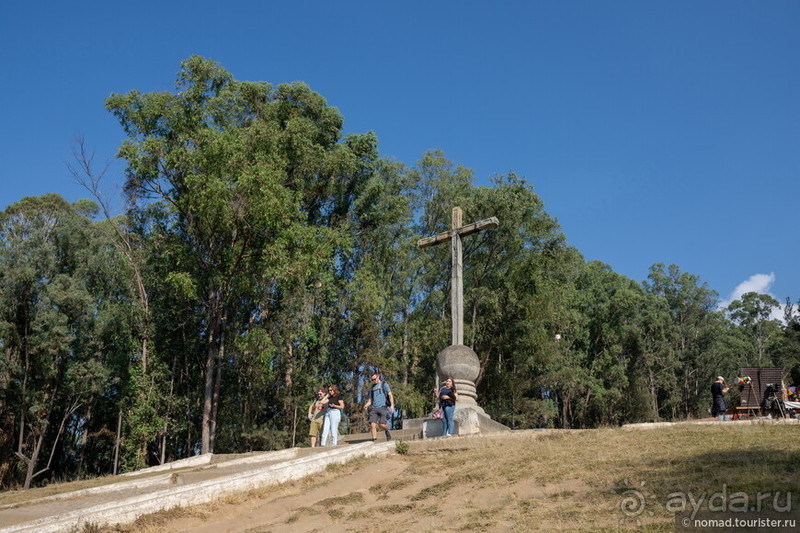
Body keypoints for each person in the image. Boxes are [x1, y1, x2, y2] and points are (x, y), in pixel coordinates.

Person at [363, 372, 395, 441]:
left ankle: (387, 431)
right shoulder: (372, 388)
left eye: (374, 379)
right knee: (372, 424)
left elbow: (390, 395)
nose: (373, 381)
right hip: (374, 408)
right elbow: (370, 400)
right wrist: (367, 405)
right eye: (372, 380)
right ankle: (374, 439)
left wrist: (392, 405)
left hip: (383, 407)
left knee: (382, 424)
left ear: (378, 377)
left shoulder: (384, 385)